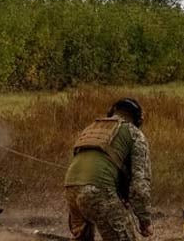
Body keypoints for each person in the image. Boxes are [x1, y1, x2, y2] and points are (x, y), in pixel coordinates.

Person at [63, 97, 152, 241]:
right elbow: (139, 186)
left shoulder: (91, 128)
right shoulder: (135, 134)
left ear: (112, 112)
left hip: (71, 189)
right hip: (97, 191)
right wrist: (144, 220)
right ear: (137, 119)